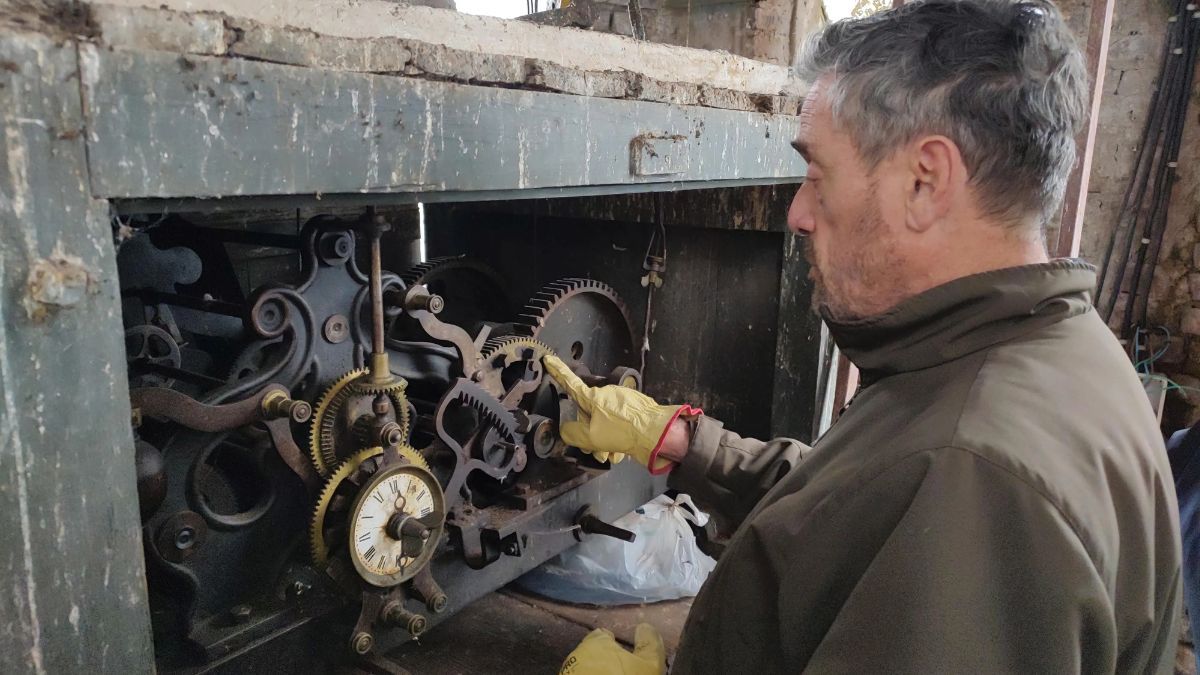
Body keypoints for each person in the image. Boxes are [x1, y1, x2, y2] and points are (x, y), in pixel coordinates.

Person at [549, 1, 1182, 673]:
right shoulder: (1048, 350)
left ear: (924, 181)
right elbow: (857, 515)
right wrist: (681, 440)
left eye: (818, 175)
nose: (796, 211)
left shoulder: (977, 474)